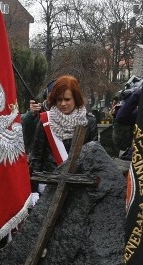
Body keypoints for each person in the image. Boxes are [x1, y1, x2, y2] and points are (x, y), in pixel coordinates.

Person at [28, 74, 98, 202]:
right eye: (59, 100)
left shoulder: (89, 122)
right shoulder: (45, 121)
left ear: (76, 99)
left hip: (78, 187)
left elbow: (92, 159)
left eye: (67, 99)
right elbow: (36, 157)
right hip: (48, 185)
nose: (63, 104)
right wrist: (33, 191)